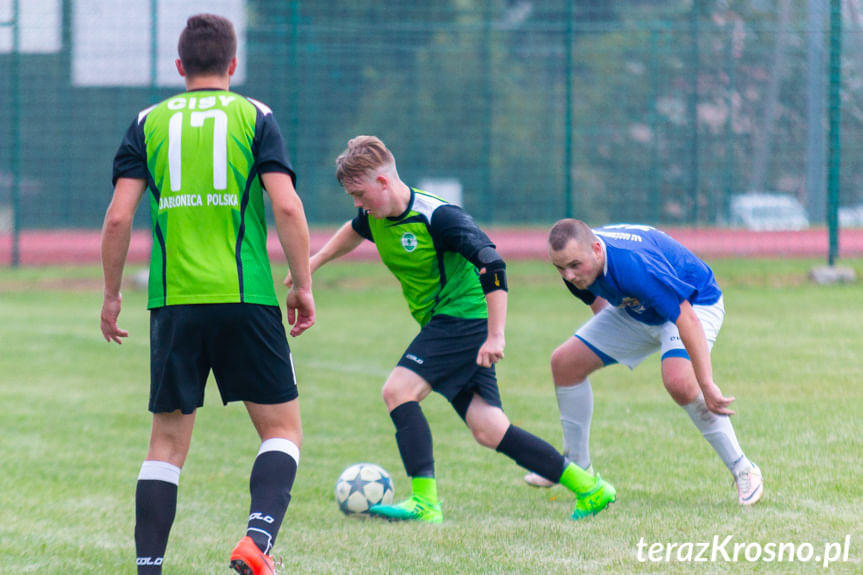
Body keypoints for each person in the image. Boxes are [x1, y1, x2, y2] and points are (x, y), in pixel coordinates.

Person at [287, 135, 614, 523]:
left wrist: (496, 334)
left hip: (462, 319)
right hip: (448, 322)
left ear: (384, 182)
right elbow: (355, 229)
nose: (358, 203)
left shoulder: (438, 217)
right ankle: (590, 488)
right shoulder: (376, 216)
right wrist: (315, 262)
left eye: (360, 193)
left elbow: (492, 263)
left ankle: (426, 502)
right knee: (489, 429)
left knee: (397, 391)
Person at [100, 14, 315, 575]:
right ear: (232, 65)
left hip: (173, 304)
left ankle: (149, 568)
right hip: (246, 297)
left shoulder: (148, 122)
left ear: (179, 67)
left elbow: (119, 218)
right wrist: (303, 284)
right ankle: (256, 542)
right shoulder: (255, 116)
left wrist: (111, 294)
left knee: (166, 443)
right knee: (282, 431)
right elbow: (288, 206)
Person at [521, 219, 763, 506]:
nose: (569, 275)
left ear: (597, 250)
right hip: (636, 309)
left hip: (696, 305)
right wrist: (609, 345)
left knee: (679, 382)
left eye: (574, 265)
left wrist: (706, 384)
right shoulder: (576, 266)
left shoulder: (634, 265)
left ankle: (743, 468)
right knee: (565, 363)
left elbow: (685, 317)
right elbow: (600, 304)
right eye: (560, 268)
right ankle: (577, 467)